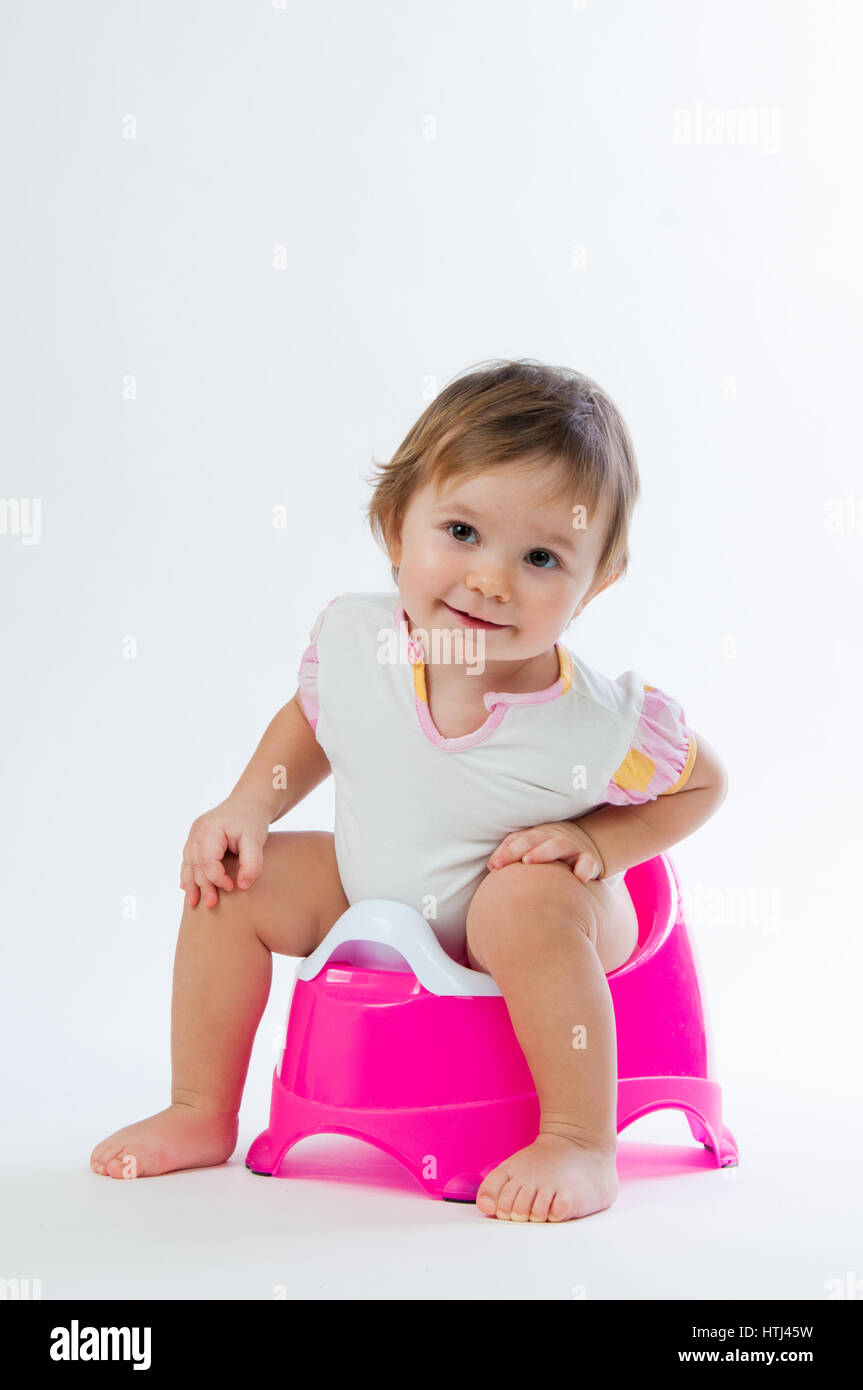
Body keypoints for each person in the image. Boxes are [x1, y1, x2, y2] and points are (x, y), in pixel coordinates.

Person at [90, 359, 728, 1222]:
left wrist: (600, 844)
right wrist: (249, 806)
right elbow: (313, 723)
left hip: (542, 912)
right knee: (229, 884)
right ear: (396, 528)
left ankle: (580, 1139)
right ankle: (201, 1109)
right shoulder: (359, 642)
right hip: (376, 888)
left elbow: (704, 786)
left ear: (594, 585)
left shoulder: (591, 722)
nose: (491, 579)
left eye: (541, 556)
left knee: (518, 904)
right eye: (461, 532)